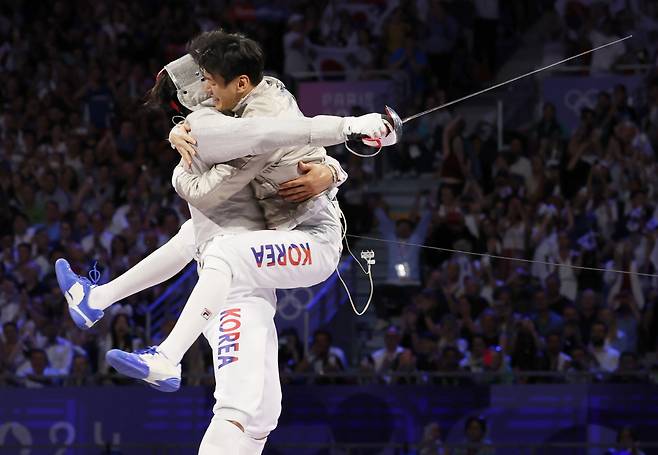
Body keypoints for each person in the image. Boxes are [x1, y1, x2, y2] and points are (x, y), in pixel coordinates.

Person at [56, 33, 389, 455]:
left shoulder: (240, 119)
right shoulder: (216, 120)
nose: (207, 87)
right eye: (203, 82)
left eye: (211, 79)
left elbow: (275, 143)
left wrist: (340, 150)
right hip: (254, 261)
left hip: (305, 243)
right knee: (261, 415)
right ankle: (97, 299)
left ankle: (167, 356)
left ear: (239, 83)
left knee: (235, 401)